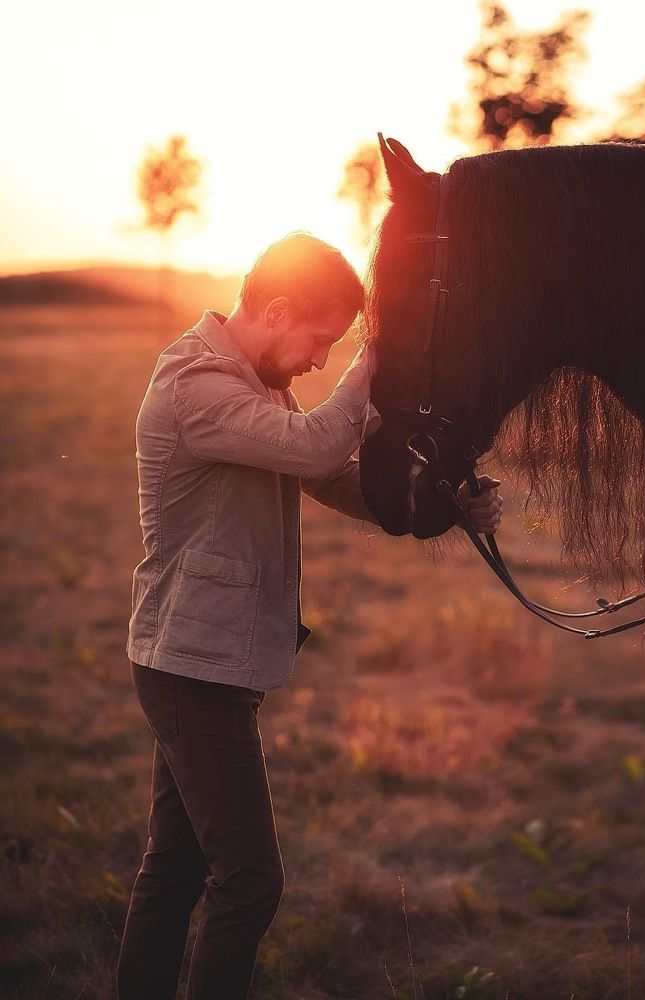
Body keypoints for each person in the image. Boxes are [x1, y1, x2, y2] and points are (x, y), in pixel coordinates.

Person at [116, 232, 503, 1000]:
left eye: (339, 348)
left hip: (201, 664)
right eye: (322, 340)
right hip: (191, 668)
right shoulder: (196, 384)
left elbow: (334, 476)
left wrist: (443, 508)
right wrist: (377, 359)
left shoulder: (256, 386)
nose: (323, 360)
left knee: (176, 869)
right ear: (280, 308)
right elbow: (317, 444)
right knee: (251, 881)